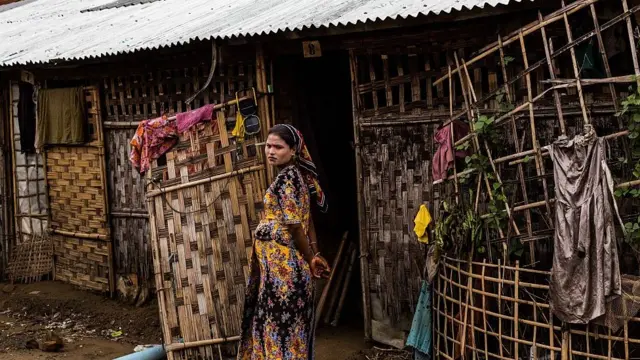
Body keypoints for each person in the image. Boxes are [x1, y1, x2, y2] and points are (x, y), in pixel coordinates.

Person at [237, 124, 331, 360]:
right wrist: (315, 253)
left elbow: (295, 224)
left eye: (278, 147)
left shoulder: (287, 179)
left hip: (284, 276)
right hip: (281, 273)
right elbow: (307, 219)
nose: (271, 151)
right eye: (268, 146)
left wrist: (311, 258)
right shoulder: (296, 177)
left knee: (281, 330)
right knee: (286, 331)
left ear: (293, 151)